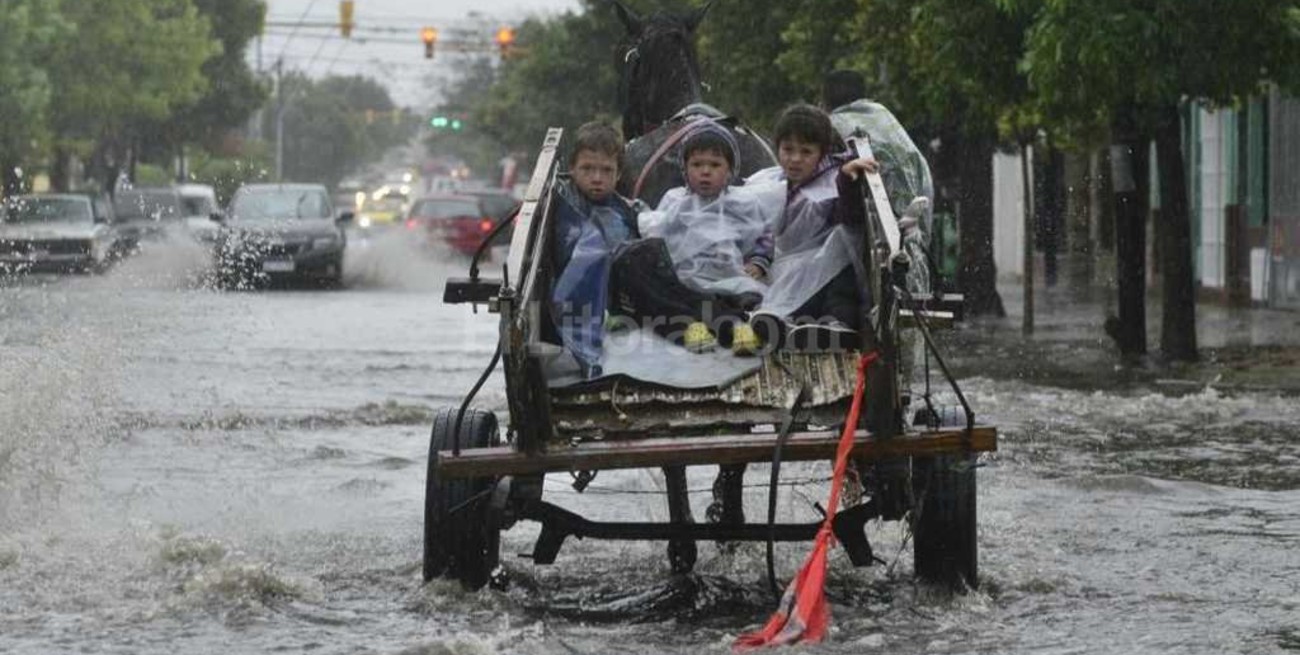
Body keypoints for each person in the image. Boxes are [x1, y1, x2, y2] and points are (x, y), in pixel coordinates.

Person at [609, 119, 781, 356]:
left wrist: (758, 262)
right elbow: (656, 234)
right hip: (685, 279)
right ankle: (707, 326)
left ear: (730, 170)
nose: (705, 172)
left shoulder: (742, 202)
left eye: (715, 164)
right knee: (655, 282)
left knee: (738, 299)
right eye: (697, 164)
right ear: (685, 168)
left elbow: (764, 234)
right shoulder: (675, 201)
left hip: (726, 277)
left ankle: (738, 326)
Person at [748, 103, 880, 352]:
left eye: (806, 151)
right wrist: (757, 259)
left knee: (839, 257)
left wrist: (847, 181)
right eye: (788, 149)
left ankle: (835, 325)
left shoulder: (833, 181)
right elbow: (757, 226)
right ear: (777, 148)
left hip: (823, 269)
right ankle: (778, 324)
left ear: (822, 153)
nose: (795, 159)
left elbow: (851, 220)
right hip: (780, 266)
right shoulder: (767, 181)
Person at [550, 121, 640, 378]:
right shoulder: (560, 203)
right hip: (573, 301)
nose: (597, 178)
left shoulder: (627, 211)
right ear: (572, 168)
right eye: (587, 169)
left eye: (606, 170)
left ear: (618, 174)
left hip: (622, 299)